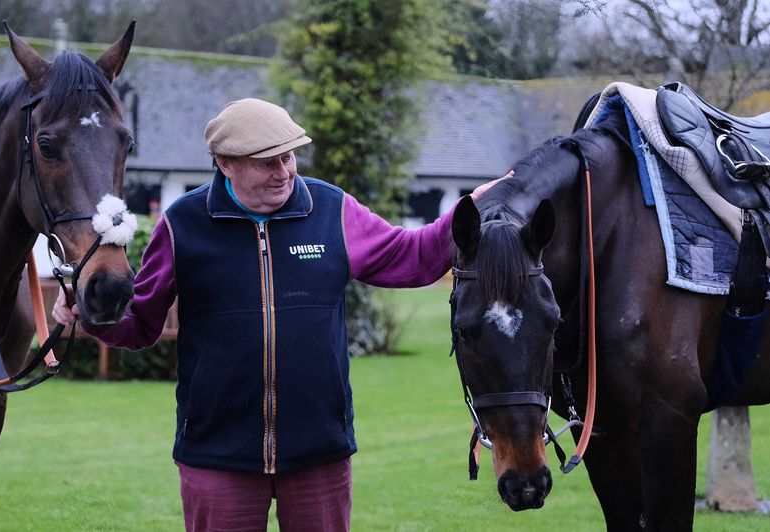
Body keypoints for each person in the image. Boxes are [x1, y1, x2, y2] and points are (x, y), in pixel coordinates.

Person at [53, 98, 503, 531]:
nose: (284, 171)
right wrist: (87, 311)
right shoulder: (182, 225)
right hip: (216, 456)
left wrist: (472, 209)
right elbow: (140, 323)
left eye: (289, 156)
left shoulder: (332, 211)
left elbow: (415, 257)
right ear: (225, 162)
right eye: (267, 161)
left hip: (319, 454)